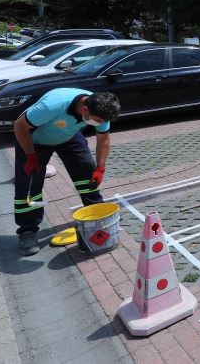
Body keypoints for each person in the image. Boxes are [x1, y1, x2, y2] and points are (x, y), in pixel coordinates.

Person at [13, 89, 120, 255]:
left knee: (88, 176)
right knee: (28, 187)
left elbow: (103, 138)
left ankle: (97, 217)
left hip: (68, 137)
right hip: (33, 141)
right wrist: (31, 156)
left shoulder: (101, 108)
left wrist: (100, 167)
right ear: (85, 110)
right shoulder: (52, 105)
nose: (100, 124)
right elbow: (19, 126)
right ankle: (27, 231)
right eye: (98, 121)